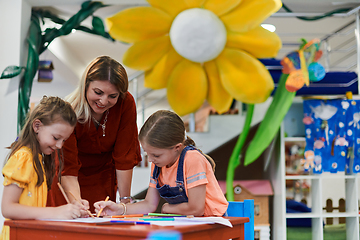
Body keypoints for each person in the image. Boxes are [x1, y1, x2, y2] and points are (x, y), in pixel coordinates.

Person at [47, 56, 142, 214]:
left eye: (113, 96)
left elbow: (124, 156)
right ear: (85, 86)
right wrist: (77, 205)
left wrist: (125, 203)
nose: (104, 101)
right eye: (98, 92)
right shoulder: (69, 112)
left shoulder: (125, 103)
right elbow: (68, 169)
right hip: (70, 182)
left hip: (103, 180)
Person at [94, 110, 228, 217]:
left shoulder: (192, 159)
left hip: (214, 222)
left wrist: (167, 207)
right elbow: (149, 204)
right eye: (148, 154)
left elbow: (196, 209)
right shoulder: (158, 164)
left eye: (156, 155)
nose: (151, 159)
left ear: (177, 147)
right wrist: (118, 209)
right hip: (187, 221)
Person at [1, 96, 84, 240]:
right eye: (56, 138)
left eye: (64, 140)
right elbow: (8, 208)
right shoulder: (24, 157)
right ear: (37, 126)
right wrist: (55, 212)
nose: (59, 146)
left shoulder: (39, 158)